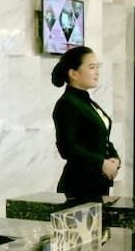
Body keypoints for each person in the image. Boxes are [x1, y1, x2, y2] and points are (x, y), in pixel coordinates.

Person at [51, 46, 121, 201]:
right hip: (78, 185)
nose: (97, 72)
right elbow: (67, 147)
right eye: (91, 67)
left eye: (97, 67)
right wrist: (101, 163)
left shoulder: (87, 102)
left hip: (97, 183)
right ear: (73, 73)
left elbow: (102, 138)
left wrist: (114, 158)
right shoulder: (67, 103)